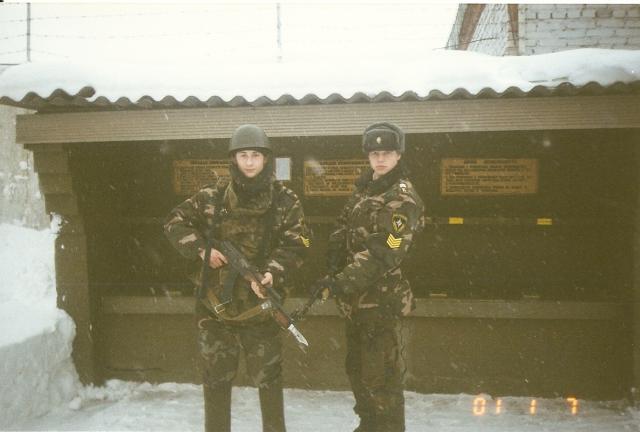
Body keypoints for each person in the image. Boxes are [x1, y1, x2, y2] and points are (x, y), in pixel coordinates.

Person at [164, 124, 311, 432]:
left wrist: (273, 271)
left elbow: (299, 242)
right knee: (216, 381)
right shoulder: (212, 196)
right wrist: (202, 249)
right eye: (243, 155)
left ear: (266, 159)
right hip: (216, 309)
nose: (249, 162)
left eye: (255, 155)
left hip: (261, 310)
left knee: (269, 382)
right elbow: (174, 223)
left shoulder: (285, 200)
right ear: (234, 159)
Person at [315, 122, 425, 432]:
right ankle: (369, 425)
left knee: (382, 378)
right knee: (358, 371)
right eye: (375, 153)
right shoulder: (364, 190)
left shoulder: (403, 197)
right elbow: (343, 229)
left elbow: (387, 250)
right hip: (356, 303)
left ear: (398, 155)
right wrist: (332, 266)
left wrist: (341, 280)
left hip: (381, 302)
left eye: (387, 153)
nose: (380, 159)